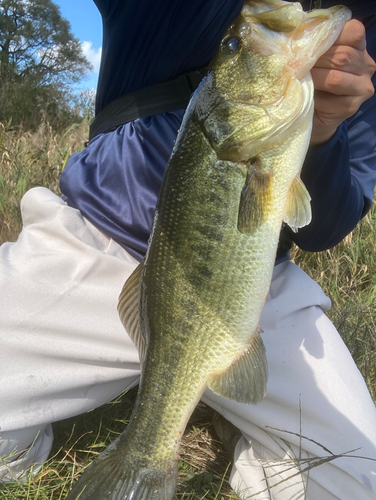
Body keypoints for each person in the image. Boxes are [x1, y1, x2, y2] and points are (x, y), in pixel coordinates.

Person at [0, 0, 375, 498]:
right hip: (93, 247)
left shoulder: (364, 51)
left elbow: (323, 227)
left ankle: (226, 416)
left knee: (356, 478)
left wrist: (325, 135)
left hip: (251, 286)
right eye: (236, 44)